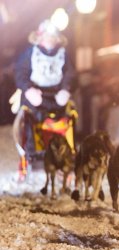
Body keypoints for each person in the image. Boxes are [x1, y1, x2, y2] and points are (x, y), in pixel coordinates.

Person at [14, 20, 75, 163]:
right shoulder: (31, 53)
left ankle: (63, 154)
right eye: (47, 36)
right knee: (31, 120)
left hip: (56, 95)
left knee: (66, 118)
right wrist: (28, 89)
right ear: (39, 37)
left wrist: (66, 89)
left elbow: (70, 74)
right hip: (35, 95)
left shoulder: (63, 54)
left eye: (53, 37)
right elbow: (19, 72)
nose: (50, 39)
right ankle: (33, 155)